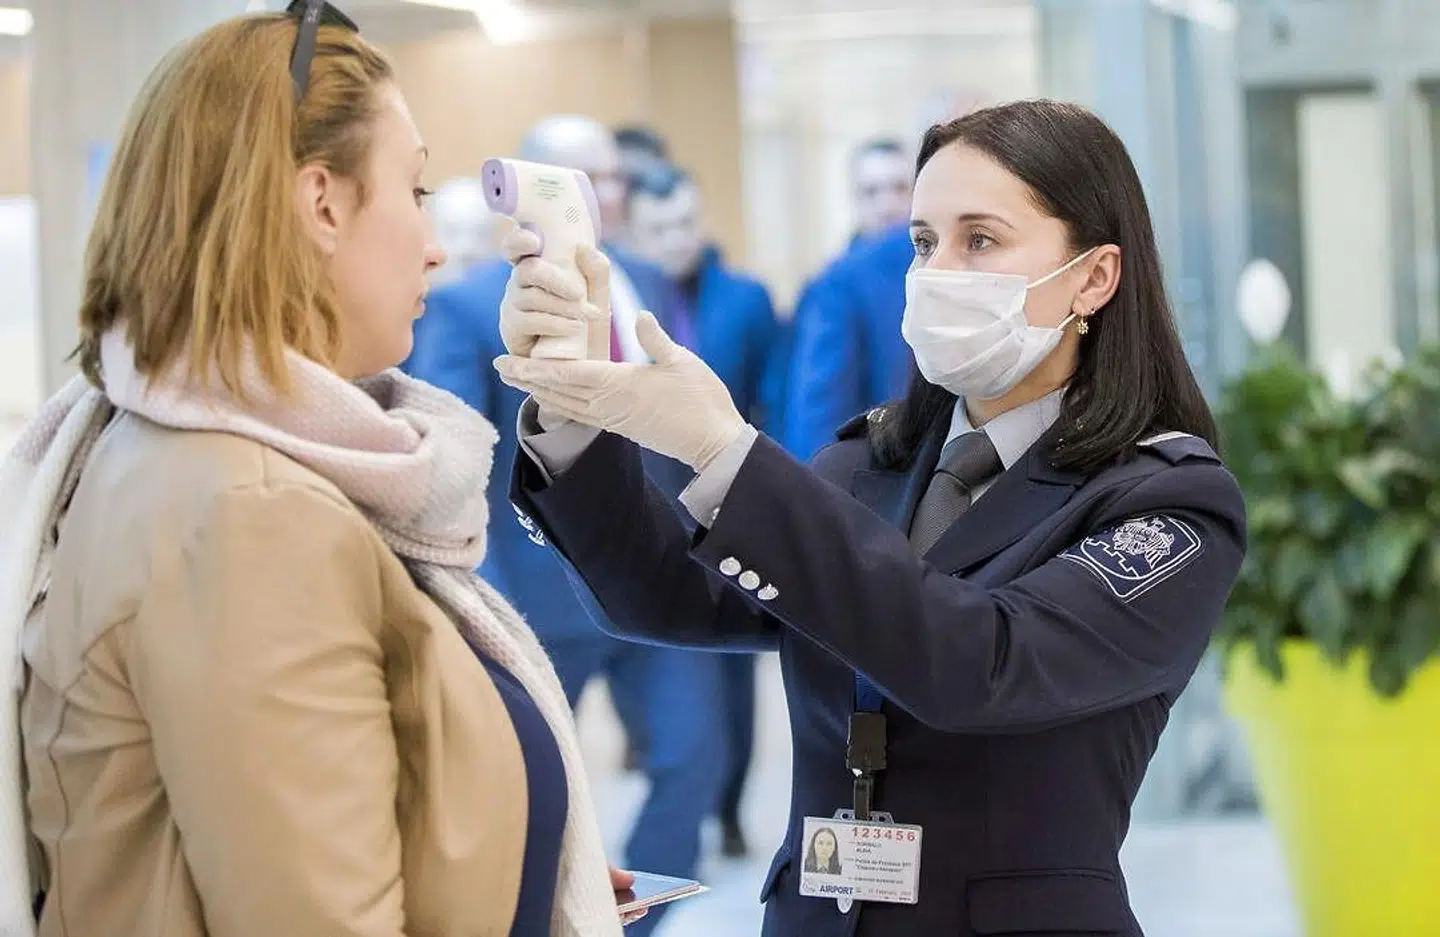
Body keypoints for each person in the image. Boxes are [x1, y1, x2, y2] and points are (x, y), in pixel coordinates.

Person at [493, 99, 1247, 937]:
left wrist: (726, 452)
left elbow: (981, 662)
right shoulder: (873, 462)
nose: (936, 270)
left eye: (981, 240)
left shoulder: (1165, 499)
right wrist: (574, 415)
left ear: (1095, 277)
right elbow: (670, 594)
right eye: (925, 241)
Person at [0, 6, 639, 936]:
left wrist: (524, 859)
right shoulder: (250, 514)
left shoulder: (170, 442)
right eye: (414, 192)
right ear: (322, 203)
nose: (432, 243)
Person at [403, 115, 719, 937]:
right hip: (541, 597)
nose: (606, 194)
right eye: (584, 179)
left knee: (692, 761)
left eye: (611, 176)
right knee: (536, 789)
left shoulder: (648, 276)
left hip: (664, 584)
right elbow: (457, 452)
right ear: (533, 191)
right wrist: (486, 596)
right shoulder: (470, 305)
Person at [626, 161, 782, 857]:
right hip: (653, 508)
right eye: (658, 228)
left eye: (685, 222)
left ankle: (729, 804)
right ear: (637, 229)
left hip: (730, 502)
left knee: (735, 662)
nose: (675, 239)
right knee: (672, 656)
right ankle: (685, 783)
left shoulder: (744, 298)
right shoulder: (625, 302)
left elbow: (769, 396)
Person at [780, 137, 916, 461]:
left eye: (899, 188)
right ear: (853, 198)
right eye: (872, 191)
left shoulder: (934, 272)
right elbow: (819, 409)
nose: (887, 205)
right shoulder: (836, 284)